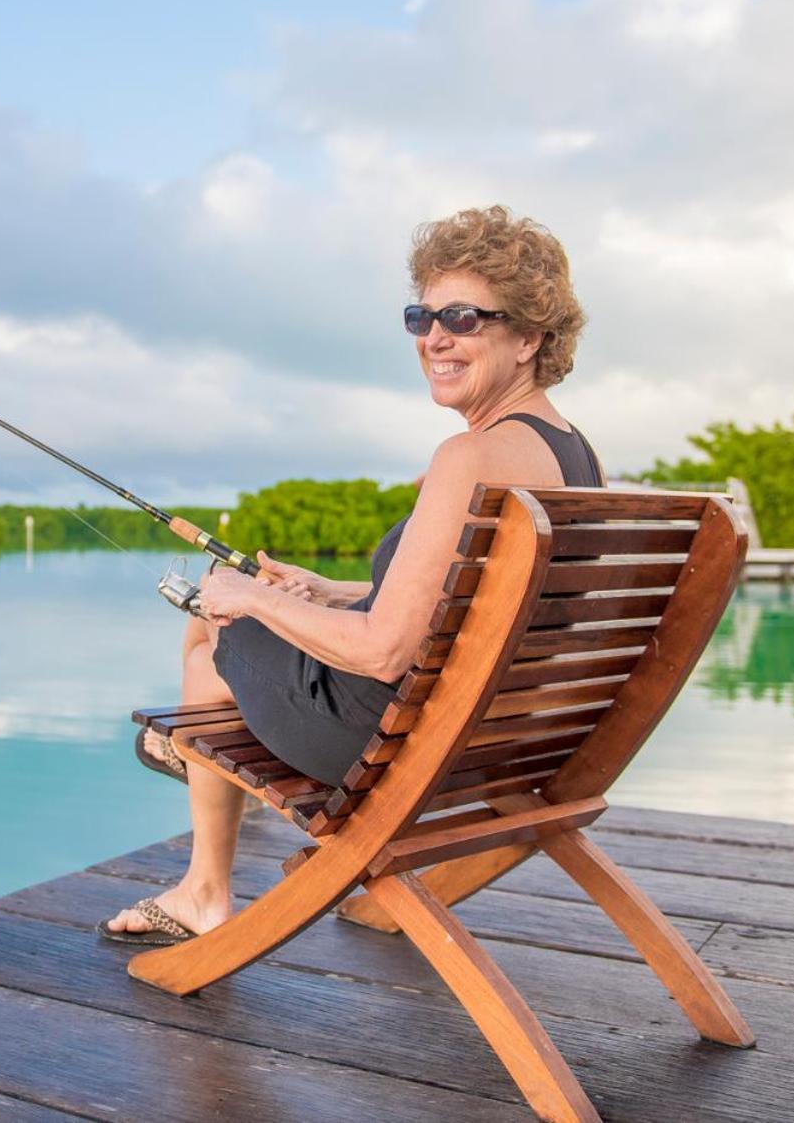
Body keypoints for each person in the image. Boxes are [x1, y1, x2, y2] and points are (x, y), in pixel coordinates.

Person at [100, 205, 603, 944]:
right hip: (500, 742)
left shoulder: (470, 457)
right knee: (244, 627)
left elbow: (381, 652)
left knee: (214, 629)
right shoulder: (572, 455)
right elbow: (462, 611)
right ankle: (203, 814)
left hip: (390, 746)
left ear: (528, 336)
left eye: (462, 317)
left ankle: (204, 881)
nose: (434, 337)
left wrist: (243, 595)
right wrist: (329, 592)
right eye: (420, 316)